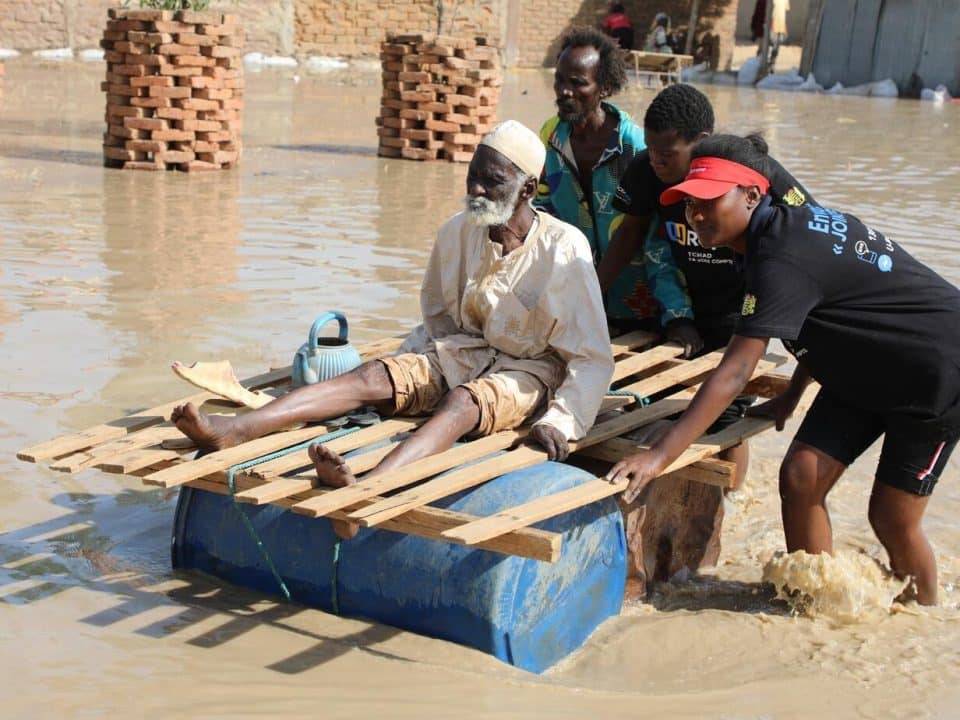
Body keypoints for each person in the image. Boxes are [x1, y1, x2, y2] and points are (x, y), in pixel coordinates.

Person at [172, 120, 615, 539]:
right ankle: (236, 429)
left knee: (462, 402)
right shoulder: (457, 232)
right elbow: (438, 318)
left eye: (492, 181)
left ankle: (366, 492)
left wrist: (562, 420)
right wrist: (408, 373)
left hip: (532, 369)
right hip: (466, 350)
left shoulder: (562, 248)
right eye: (473, 176)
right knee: (371, 376)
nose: (476, 189)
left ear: (527, 189)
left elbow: (592, 358)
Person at [606, 133, 960, 605]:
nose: (696, 214)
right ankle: (817, 605)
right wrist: (794, 393)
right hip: (863, 369)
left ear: (752, 195)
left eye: (710, 201)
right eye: (690, 203)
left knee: (892, 518)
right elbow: (832, 320)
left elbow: (734, 373)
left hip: (934, 374)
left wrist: (659, 455)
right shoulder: (772, 238)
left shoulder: (781, 255)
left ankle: (923, 617)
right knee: (800, 477)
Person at [599, 83, 813, 488]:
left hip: (742, 303)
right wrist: (591, 295)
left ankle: (730, 495)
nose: (658, 162)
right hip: (682, 303)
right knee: (676, 401)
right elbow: (629, 235)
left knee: (728, 409)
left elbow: (810, 224)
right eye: (651, 150)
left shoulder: (751, 170)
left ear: (701, 143)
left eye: (668, 154)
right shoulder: (647, 171)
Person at [536, 28, 691, 334]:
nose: (564, 91)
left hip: (639, 307)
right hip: (575, 305)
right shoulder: (553, 137)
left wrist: (678, 316)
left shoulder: (635, 147)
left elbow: (658, 236)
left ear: (604, 88)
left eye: (577, 83)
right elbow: (545, 212)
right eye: (560, 79)